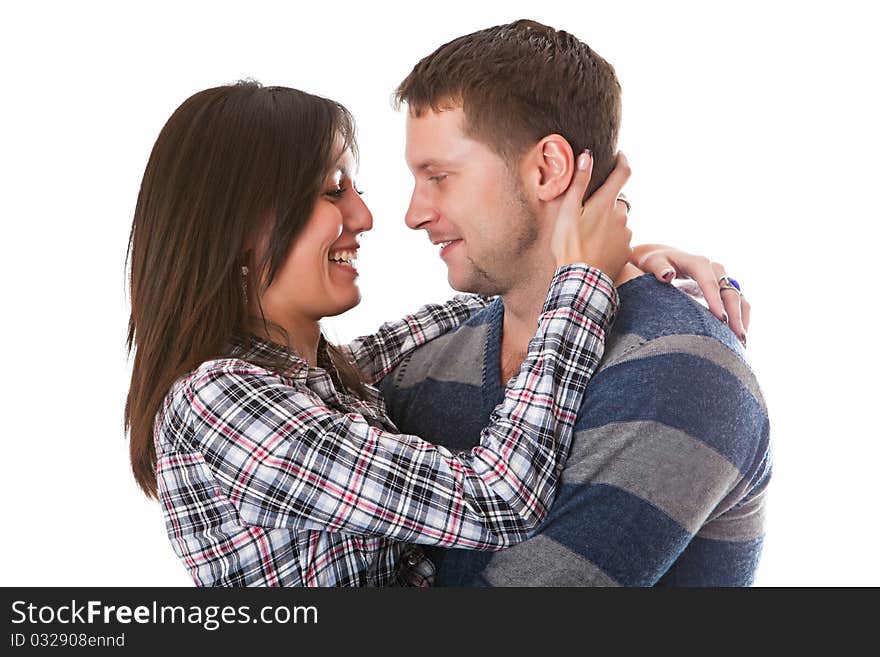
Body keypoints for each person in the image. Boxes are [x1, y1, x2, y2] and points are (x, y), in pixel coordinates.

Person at [125, 80, 644, 586]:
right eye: (333, 190)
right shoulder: (218, 402)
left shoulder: (322, 378)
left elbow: (454, 316)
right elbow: (497, 501)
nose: (365, 216)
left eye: (355, 189)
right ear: (239, 228)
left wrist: (621, 265)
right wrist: (584, 281)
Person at [377, 19, 771, 586]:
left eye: (439, 176)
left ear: (548, 169)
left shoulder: (680, 368)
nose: (413, 213)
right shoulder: (425, 362)